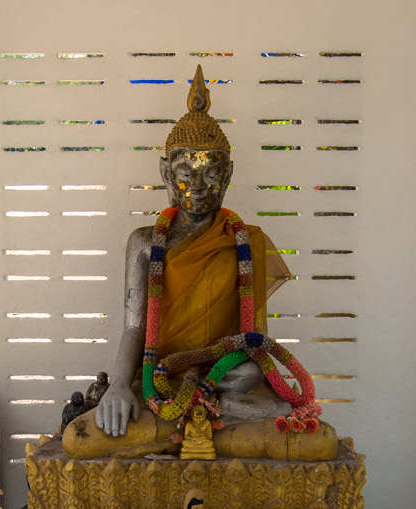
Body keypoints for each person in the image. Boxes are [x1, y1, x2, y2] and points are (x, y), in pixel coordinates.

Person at [62, 66, 335, 461]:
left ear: (228, 174)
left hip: (227, 378)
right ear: (165, 173)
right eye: (185, 172)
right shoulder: (144, 243)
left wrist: (220, 376)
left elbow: (254, 339)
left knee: (302, 424)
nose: (199, 186)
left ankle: (202, 412)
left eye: (211, 173)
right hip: (158, 379)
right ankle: (212, 413)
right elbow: (135, 327)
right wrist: (119, 384)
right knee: (80, 439)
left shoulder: (245, 241)